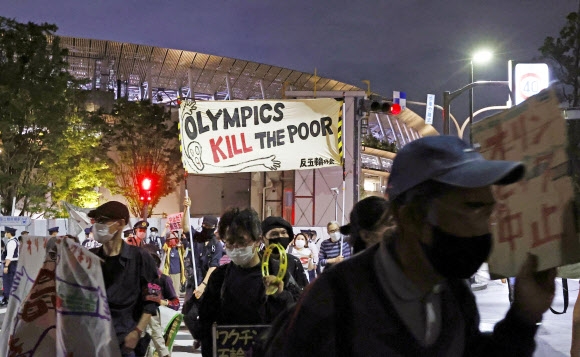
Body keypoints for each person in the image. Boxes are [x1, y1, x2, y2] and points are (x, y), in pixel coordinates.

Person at [264, 135, 557, 356]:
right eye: (472, 208)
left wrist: (523, 316)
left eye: (490, 211)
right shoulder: (336, 299)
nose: (488, 226)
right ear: (412, 215)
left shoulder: (453, 294)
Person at [198, 207, 300, 357]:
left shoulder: (278, 271)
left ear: (258, 240)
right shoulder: (219, 277)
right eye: (229, 242)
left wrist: (281, 295)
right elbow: (207, 321)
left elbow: (298, 313)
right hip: (230, 350)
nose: (235, 247)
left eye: (241, 241)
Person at [88, 201, 160, 357]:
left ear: (120, 223)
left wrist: (137, 332)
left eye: (102, 220)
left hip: (126, 341)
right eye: (95, 221)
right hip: (95, 339)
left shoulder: (140, 258)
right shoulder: (89, 258)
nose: (97, 226)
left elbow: (152, 299)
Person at [143, 247, 180, 357]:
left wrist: (163, 302)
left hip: (162, 324)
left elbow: (176, 303)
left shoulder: (164, 279)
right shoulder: (138, 280)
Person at [261, 216, 309, 288]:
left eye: (283, 233)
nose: (280, 237)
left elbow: (303, 292)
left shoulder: (294, 261)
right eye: (274, 234)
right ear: (263, 238)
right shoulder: (257, 260)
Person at [162, 229, 186, 298]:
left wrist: (182, 233)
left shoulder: (180, 249)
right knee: (169, 292)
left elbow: (185, 243)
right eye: (170, 239)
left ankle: (176, 306)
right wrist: (165, 228)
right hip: (168, 273)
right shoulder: (168, 249)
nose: (171, 240)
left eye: (173, 239)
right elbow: (162, 241)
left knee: (175, 293)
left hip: (177, 273)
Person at [1, 227, 18, 306]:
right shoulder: (14, 240)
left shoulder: (11, 242)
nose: (5, 234)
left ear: (9, 233)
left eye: (6, 232)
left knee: (8, 281)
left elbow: (9, 256)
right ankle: (9, 298)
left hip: (11, 264)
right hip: (13, 263)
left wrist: (6, 266)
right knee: (11, 281)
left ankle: (7, 299)